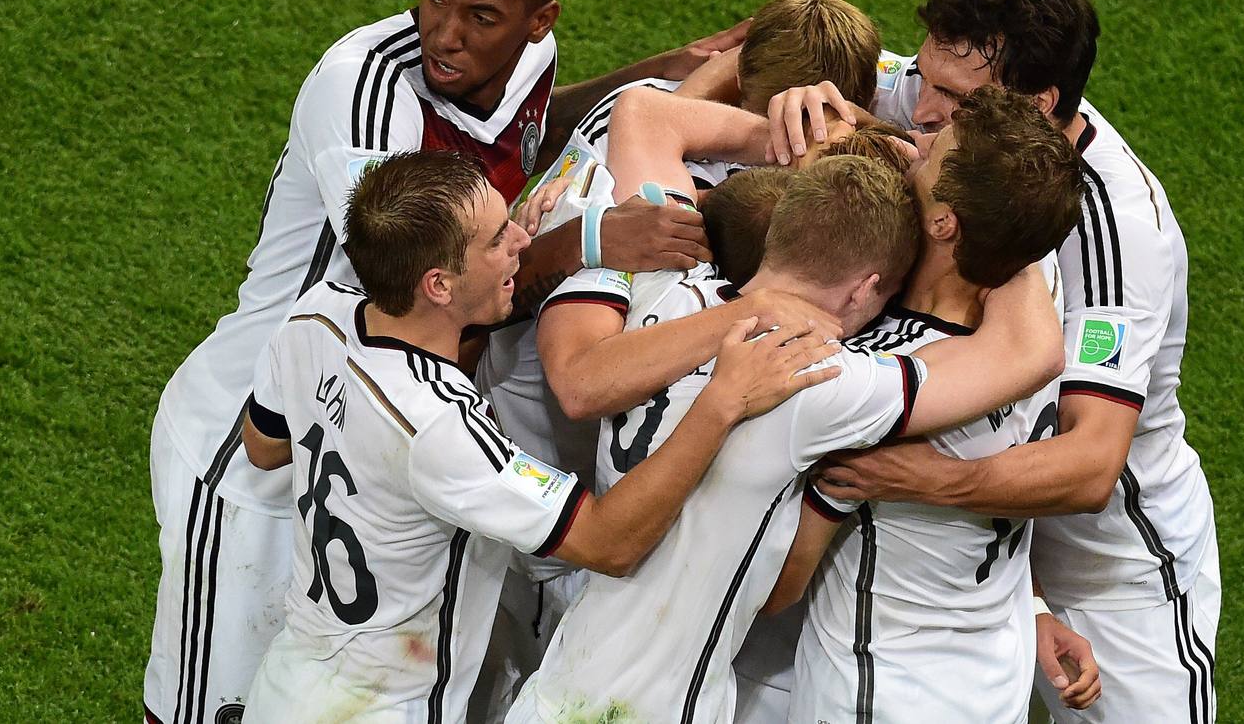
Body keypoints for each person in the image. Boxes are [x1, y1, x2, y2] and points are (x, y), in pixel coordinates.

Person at [144, 0, 742, 724]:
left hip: (373, 435)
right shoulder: (368, 94)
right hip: (256, 437)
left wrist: (651, 77)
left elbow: (521, 134)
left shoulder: (527, 57)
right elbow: (426, 280)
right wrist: (595, 240)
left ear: (538, 22)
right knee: (209, 703)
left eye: (481, 17)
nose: (444, 33)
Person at [236, 150, 837, 723]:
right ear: (439, 286)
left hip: (286, 683)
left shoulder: (315, 314)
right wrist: (721, 401)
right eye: (498, 239)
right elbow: (609, 542)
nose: (522, 241)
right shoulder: (441, 428)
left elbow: (264, 448)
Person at [507, 153, 1066, 724]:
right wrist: (1012, 245)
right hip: (653, 707)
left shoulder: (662, 283)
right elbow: (1027, 356)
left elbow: (645, 116)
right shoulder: (810, 379)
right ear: (863, 289)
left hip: (561, 682)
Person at [805, 0, 1220, 722]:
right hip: (981, 552)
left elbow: (1090, 463)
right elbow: (764, 60)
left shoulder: (1116, 234)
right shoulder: (931, 99)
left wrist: (919, 479)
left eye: (953, 99)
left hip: (1106, 565)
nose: (919, 110)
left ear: (1037, 103)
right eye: (923, 73)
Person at [467, 0, 878, 716]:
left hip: (643, 514)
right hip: (544, 508)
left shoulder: (664, 146)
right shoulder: (625, 190)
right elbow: (576, 378)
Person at [760, 86, 1095, 722]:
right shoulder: (1030, 311)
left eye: (933, 150)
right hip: (994, 683)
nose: (915, 143)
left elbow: (777, 589)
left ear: (946, 224)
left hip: (876, 690)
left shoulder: (874, 380)